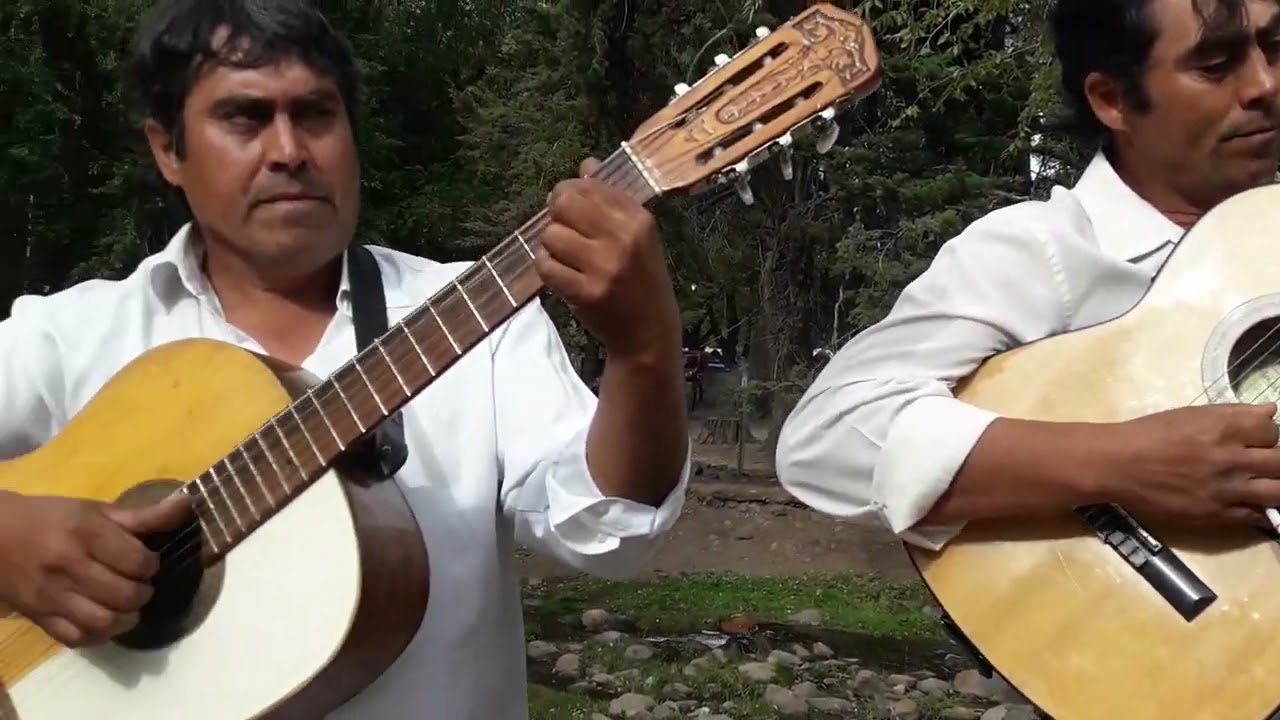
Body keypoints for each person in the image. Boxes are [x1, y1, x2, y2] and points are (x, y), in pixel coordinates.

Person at [0, 0, 691, 718]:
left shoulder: (478, 319)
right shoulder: (68, 338)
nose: (289, 149)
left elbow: (607, 532)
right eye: (244, 117)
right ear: (168, 149)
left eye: (316, 114)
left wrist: (643, 351)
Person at [775, 0, 1280, 551]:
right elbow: (827, 439)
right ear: (1112, 100)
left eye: (1276, 48)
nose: (1263, 84)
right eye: (1215, 65)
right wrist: (1125, 464)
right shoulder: (1043, 252)